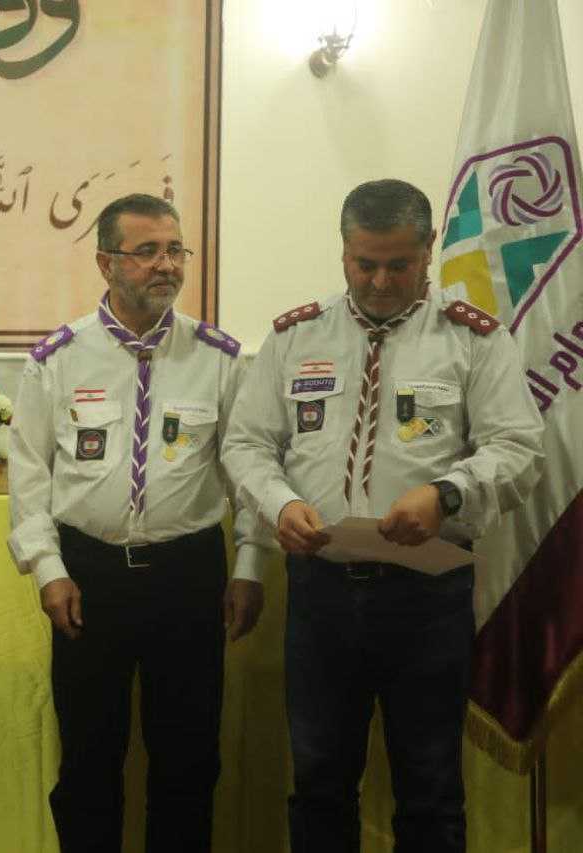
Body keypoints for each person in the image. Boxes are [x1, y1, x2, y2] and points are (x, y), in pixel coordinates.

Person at [221, 178, 545, 852]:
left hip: (427, 595)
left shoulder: (473, 338)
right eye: (363, 263)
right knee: (319, 781)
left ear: (429, 250)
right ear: (343, 250)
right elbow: (247, 443)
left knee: (429, 789)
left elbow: (518, 447)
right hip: (320, 592)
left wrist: (447, 493)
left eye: (399, 264)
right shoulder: (295, 335)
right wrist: (281, 504)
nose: (379, 281)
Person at [7, 193, 269, 852]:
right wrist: (47, 569)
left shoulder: (219, 357)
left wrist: (249, 565)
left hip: (189, 576)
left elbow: (248, 469)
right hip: (89, 577)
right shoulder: (57, 358)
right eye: (147, 251)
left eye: (175, 250)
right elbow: (30, 474)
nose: (166, 265)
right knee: (88, 760)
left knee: (188, 761)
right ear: (106, 262)